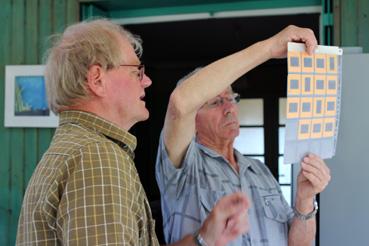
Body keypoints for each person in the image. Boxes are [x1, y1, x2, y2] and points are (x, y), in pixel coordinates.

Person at [16, 19, 250, 246]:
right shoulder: (97, 158)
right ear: (97, 79)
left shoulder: (78, 150)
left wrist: (203, 238)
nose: (147, 81)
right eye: (136, 71)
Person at [155, 25, 331, 245]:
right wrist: (269, 48)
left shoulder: (260, 171)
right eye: (217, 102)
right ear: (193, 120)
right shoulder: (183, 167)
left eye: (232, 98)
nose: (229, 108)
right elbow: (180, 104)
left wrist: (305, 199)